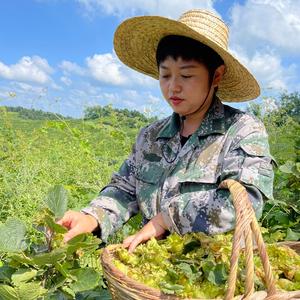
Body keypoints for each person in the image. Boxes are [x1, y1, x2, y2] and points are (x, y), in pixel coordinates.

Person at [58, 9, 274, 253]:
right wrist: (92, 217)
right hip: (150, 269)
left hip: (214, 275)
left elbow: (245, 202)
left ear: (216, 75)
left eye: (186, 75)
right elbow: (124, 189)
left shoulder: (242, 131)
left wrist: (166, 219)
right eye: (165, 75)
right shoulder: (151, 137)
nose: (173, 87)